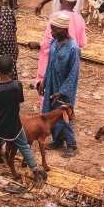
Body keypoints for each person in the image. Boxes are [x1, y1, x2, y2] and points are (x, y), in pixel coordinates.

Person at [0, 54, 46, 192]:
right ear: (12, 70)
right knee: (24, 147)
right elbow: (19, 101)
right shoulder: (17, 85)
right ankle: (36, 171)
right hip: (13, 125)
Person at [38, 12, 80, 153]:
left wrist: (62, 91)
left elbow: (74, 74)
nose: (52, 32)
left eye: (54, 29)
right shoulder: (54, 43)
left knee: (64, 114)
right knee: (52, 114)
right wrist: (44, 82)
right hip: (51, 84)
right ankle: (57, 141)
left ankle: (71, 145)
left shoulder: (73, 48)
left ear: (63, 30)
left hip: (64, 89)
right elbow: (49, 64)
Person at [36, 0, 86, 87]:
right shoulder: (80, 19)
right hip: (70, 61)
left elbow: (48, 41)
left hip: (55, 59)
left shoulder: (56, 17)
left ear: (60, 0)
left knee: (47, 87)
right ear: (75, 3)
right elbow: (81, 43)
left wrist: (39, 46)